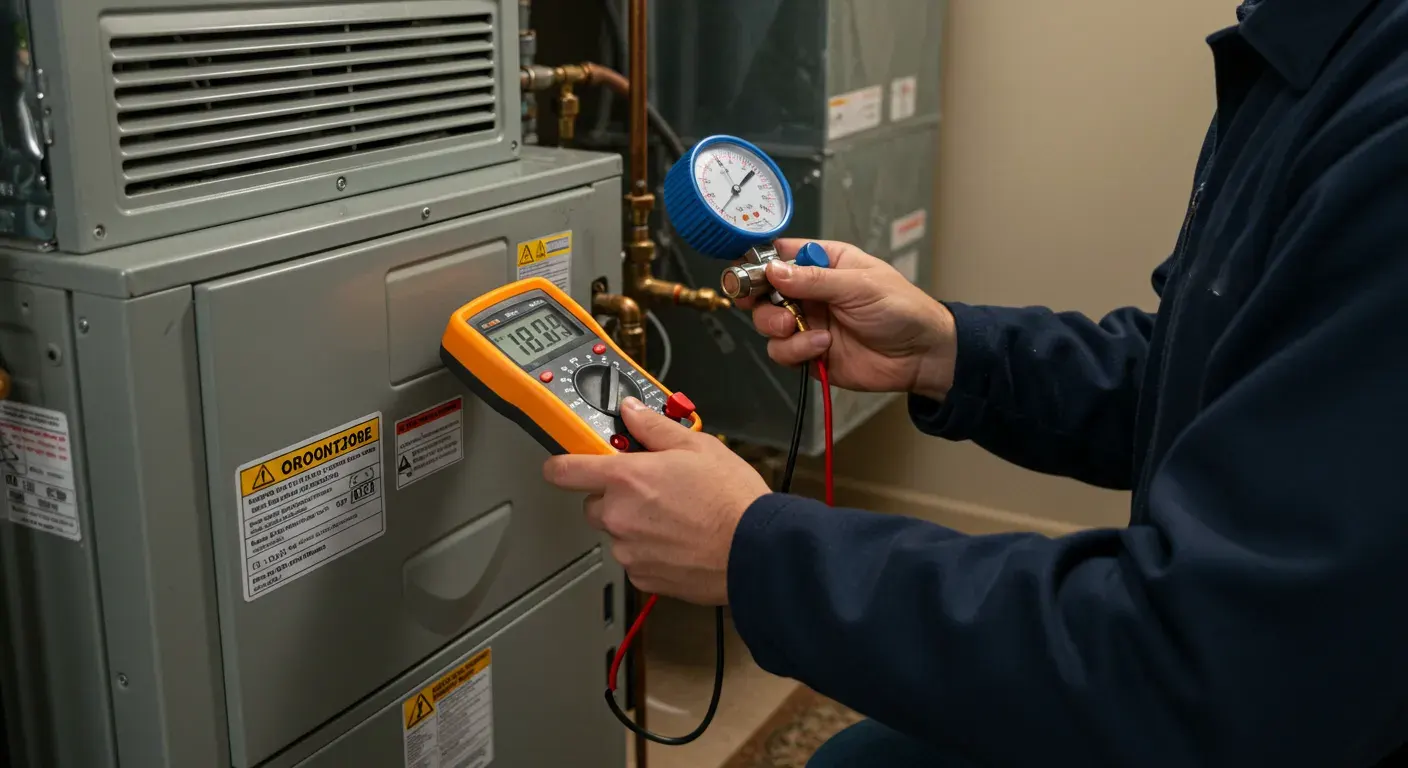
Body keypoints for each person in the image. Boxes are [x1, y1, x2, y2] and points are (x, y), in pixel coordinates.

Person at [544, 0, 1408, 764]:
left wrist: (755, 551)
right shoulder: (1303, 50)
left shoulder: (1381, 110)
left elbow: (1212, 667)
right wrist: (950, 351)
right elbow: (1209, 376)